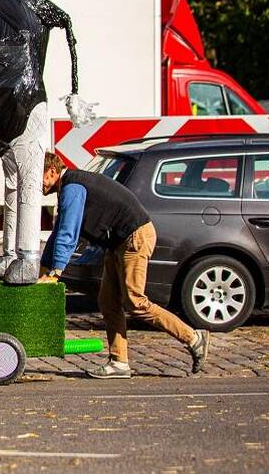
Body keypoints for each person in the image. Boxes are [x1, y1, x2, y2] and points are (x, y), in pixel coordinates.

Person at [40, 152, 210, 378]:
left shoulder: (73, 187)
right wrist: (43, 269)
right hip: (118, 241)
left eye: (37, 178)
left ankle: (193, 337)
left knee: (135, 301)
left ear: (52, 171)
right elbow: (58, 232)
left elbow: (68, 231)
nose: (34, 185)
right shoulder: (69, 186)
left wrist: (56, 271)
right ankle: (119, 362)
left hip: (134, 236)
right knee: (108, 301)